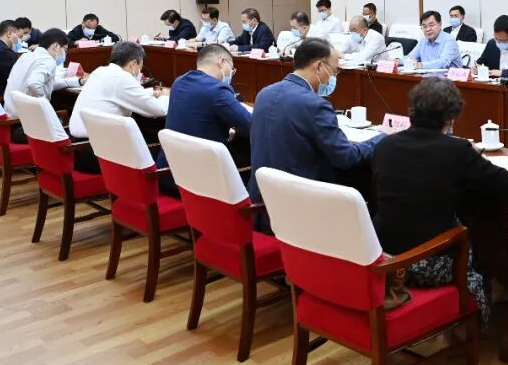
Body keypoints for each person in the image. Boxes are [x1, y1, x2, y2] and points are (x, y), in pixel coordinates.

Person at [373, 77, 508, 327]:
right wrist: (475, 158)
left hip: (384, 260)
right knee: (480, 237)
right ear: (450, 118)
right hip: (424, 265)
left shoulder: (385, 145)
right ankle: (488, 302)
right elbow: (505, 183)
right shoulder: (457, 150)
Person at [248, 38, 385, 232]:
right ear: (319, 66)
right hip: (301, 209)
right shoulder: (314, 104)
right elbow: (346, 157)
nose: (333, 78)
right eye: (335, 71)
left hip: (263, 203)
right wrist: (382, 137)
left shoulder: (264, 93)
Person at [156, 44, 252, 196]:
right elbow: (250, 125)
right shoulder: (218, 90)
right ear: (222, 62)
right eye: (231, 68)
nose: (231, 74)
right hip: (200, 186)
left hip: (168, 175)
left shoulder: (179, 82)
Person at [69, 41, 166, 173]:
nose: (139, 71)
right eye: (140, 67)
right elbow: (158, 110)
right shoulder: (123, 79)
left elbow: (120, 94)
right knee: (159, 154)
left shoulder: (100, 71)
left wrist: (151, 93)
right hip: (99, 156)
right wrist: (167, 97)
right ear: (133, 64)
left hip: (78, 150)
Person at [3, 29, 84, 142]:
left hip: (11, 124)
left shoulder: (26, 56)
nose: (64, 55)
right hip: (27, 128)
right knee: (76, 135)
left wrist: (78, 82)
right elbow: (34, 84)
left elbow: (48, 83)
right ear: (56, 46)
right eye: (65, 50)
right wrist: (44, 106)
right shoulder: (48, 60)